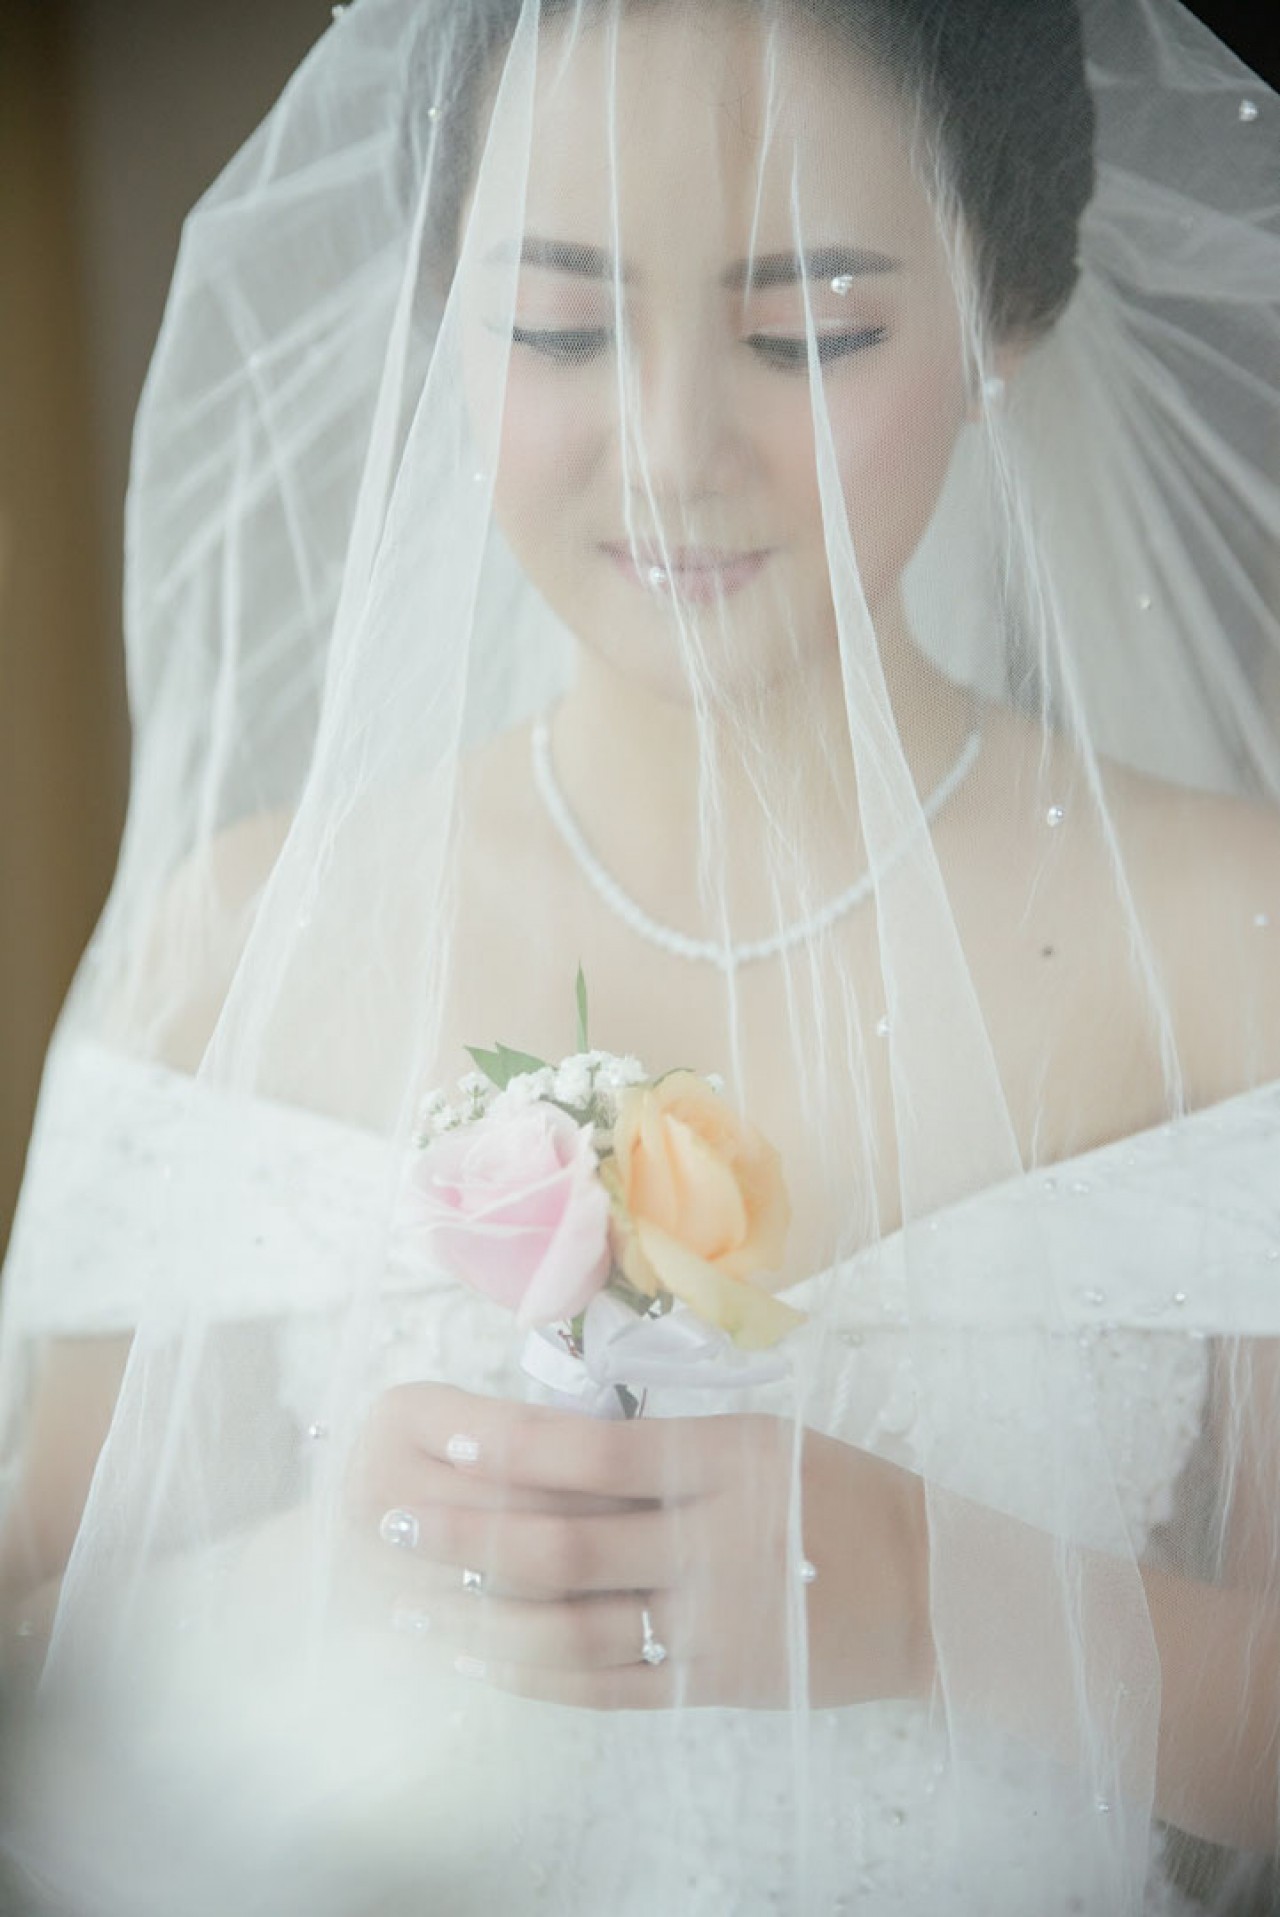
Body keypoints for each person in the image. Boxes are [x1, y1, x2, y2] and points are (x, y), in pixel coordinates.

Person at [0, 0, 1278, 1910]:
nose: (674, 453)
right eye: (558, 327)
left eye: (809, 332)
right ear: (445, 313)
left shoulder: (1235, 939)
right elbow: (39, 1673)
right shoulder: (248, 937)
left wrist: (933, 1593)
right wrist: (324, 1579)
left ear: (1003, 311)